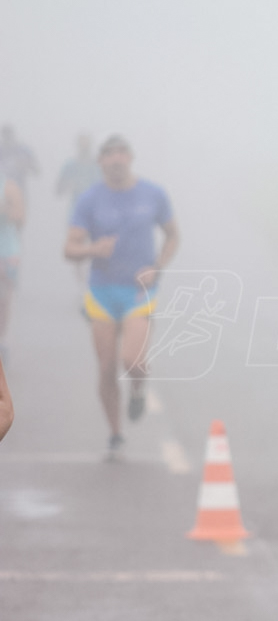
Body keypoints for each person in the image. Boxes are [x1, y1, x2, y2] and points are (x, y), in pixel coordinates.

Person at [63, 135, 180, 454]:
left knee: (133, 360)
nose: (115, 161)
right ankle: (115, 434)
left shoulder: (152, 194)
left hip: (139, 291)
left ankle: (138, 392)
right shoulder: (89, 199)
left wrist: (157, 265)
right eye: (109, 156)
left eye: (121, 155)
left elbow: (172, 235)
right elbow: (69, 248)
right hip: (101, 292)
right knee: (105, 367)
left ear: (130, 158)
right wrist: (91, 249)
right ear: (101, 162)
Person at [56, 133, 102, 284]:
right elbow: (58, 189)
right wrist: (67, 185)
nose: (84, 148)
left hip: (99, 212)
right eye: (82, 145)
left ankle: (96, 279)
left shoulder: (99, 165)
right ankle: (82, 283)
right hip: (77, 213)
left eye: (86, 145)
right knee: (77, 248)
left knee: (98, 245)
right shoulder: (70, 166)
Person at [0, 173, 25, 357]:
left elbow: (20, 218)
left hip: (5, 249)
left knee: (3, 298)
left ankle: (1, 340)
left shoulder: (8, 186)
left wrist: (5, 211)